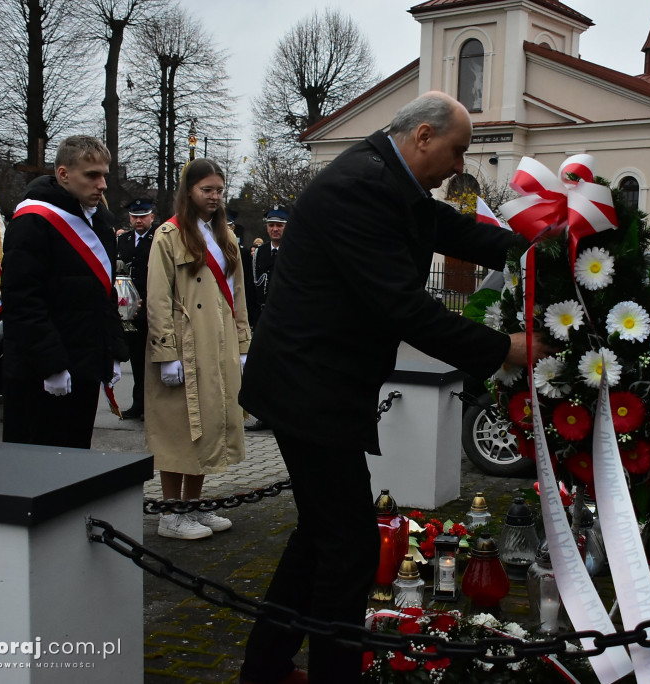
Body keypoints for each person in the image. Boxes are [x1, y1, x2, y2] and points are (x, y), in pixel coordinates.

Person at [238, 91, 549, 684]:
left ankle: (268, 666)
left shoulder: (389, 179)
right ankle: (329, 673)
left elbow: (450, 228)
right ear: (424, 136)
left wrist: (541, 250)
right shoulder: (362, 185)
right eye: (457, 150)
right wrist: (502, 348)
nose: (462, 165)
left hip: (320, 385)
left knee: (321, 536)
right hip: (310, 388)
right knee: (349, 547)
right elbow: (402, 308)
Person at [145, 158, 252, 540]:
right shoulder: (168, 236)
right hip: (185, 343)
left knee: (208, 425)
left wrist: (243, 344)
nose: (214, 197)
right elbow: (158, 299)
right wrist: (166, 354)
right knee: (181, 427)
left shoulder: (227, 236)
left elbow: (239, 295)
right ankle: (171, 513)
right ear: (189, 190)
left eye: (219, 190)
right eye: (207, 189)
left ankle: (192, 506)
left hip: (220, 342)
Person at [0, 135, 128, 449]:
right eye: (92, 175)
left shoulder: (100, 223)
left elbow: (103, 294)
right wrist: (51, 364)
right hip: (40, 373)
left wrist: (109, 351)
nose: (102, 185)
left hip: (84, 366)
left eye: (104, 175)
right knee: (36, 468)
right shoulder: (33, 221)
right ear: (63, 174)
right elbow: (23, 300)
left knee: (74, 464)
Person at [117, 198, 157, 419]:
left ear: (152, 216)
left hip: (150, 304)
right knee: (136, 358)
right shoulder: (124, 239)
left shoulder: (158, 238)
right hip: (129, 308)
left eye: (143, 216)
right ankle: (138, 403)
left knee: (150, 360)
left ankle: (150, 405)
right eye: (135, 216)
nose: (138, 220)